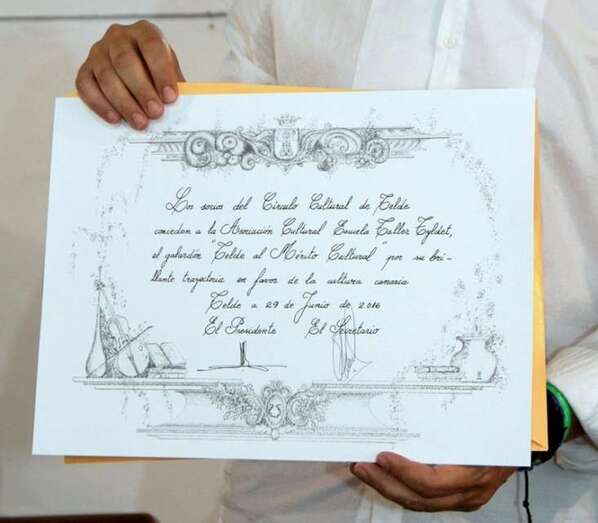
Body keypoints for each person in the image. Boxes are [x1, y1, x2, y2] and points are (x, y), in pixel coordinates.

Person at [75, 1, 598, 521]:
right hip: (290, 494)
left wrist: (556, 409)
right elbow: (237, 197)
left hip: (534, 497)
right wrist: (140, 100)